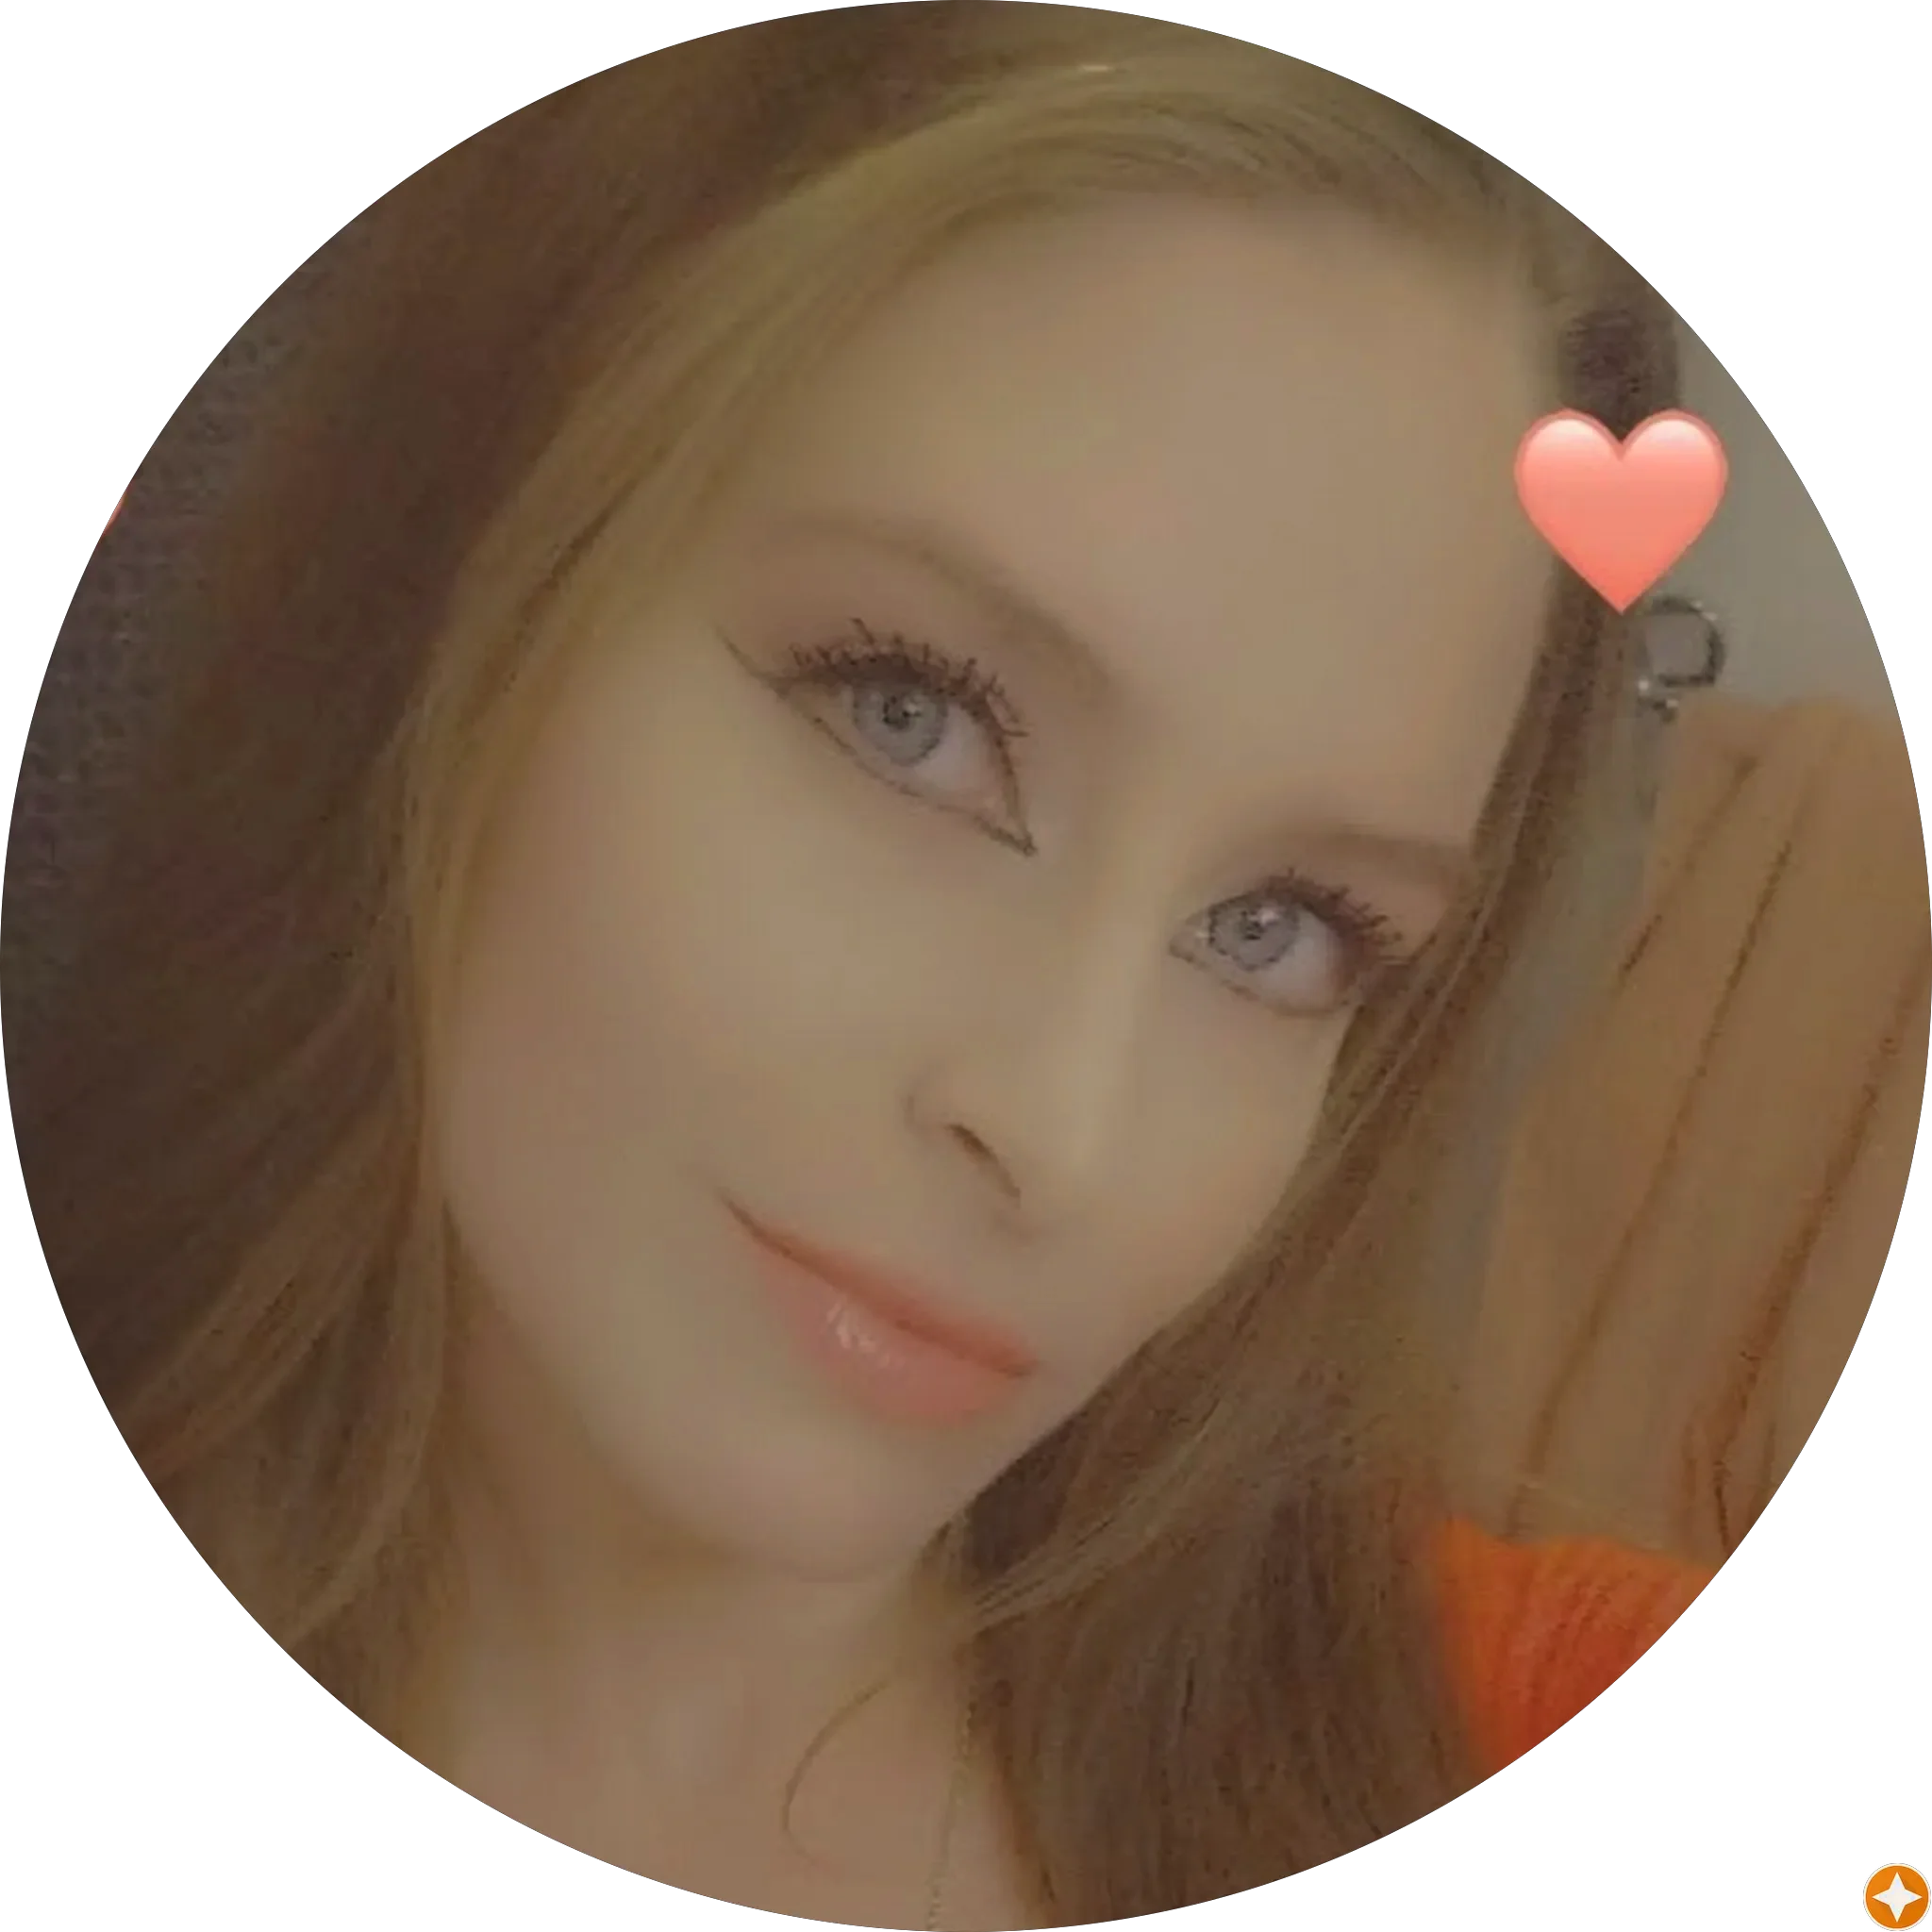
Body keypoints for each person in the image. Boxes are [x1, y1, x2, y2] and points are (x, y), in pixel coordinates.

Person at [8, 8, 1734, 1926]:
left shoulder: (1497, 1710)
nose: (1060, 1132)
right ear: (457, 575)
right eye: (910, 715)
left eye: (1282, 927)